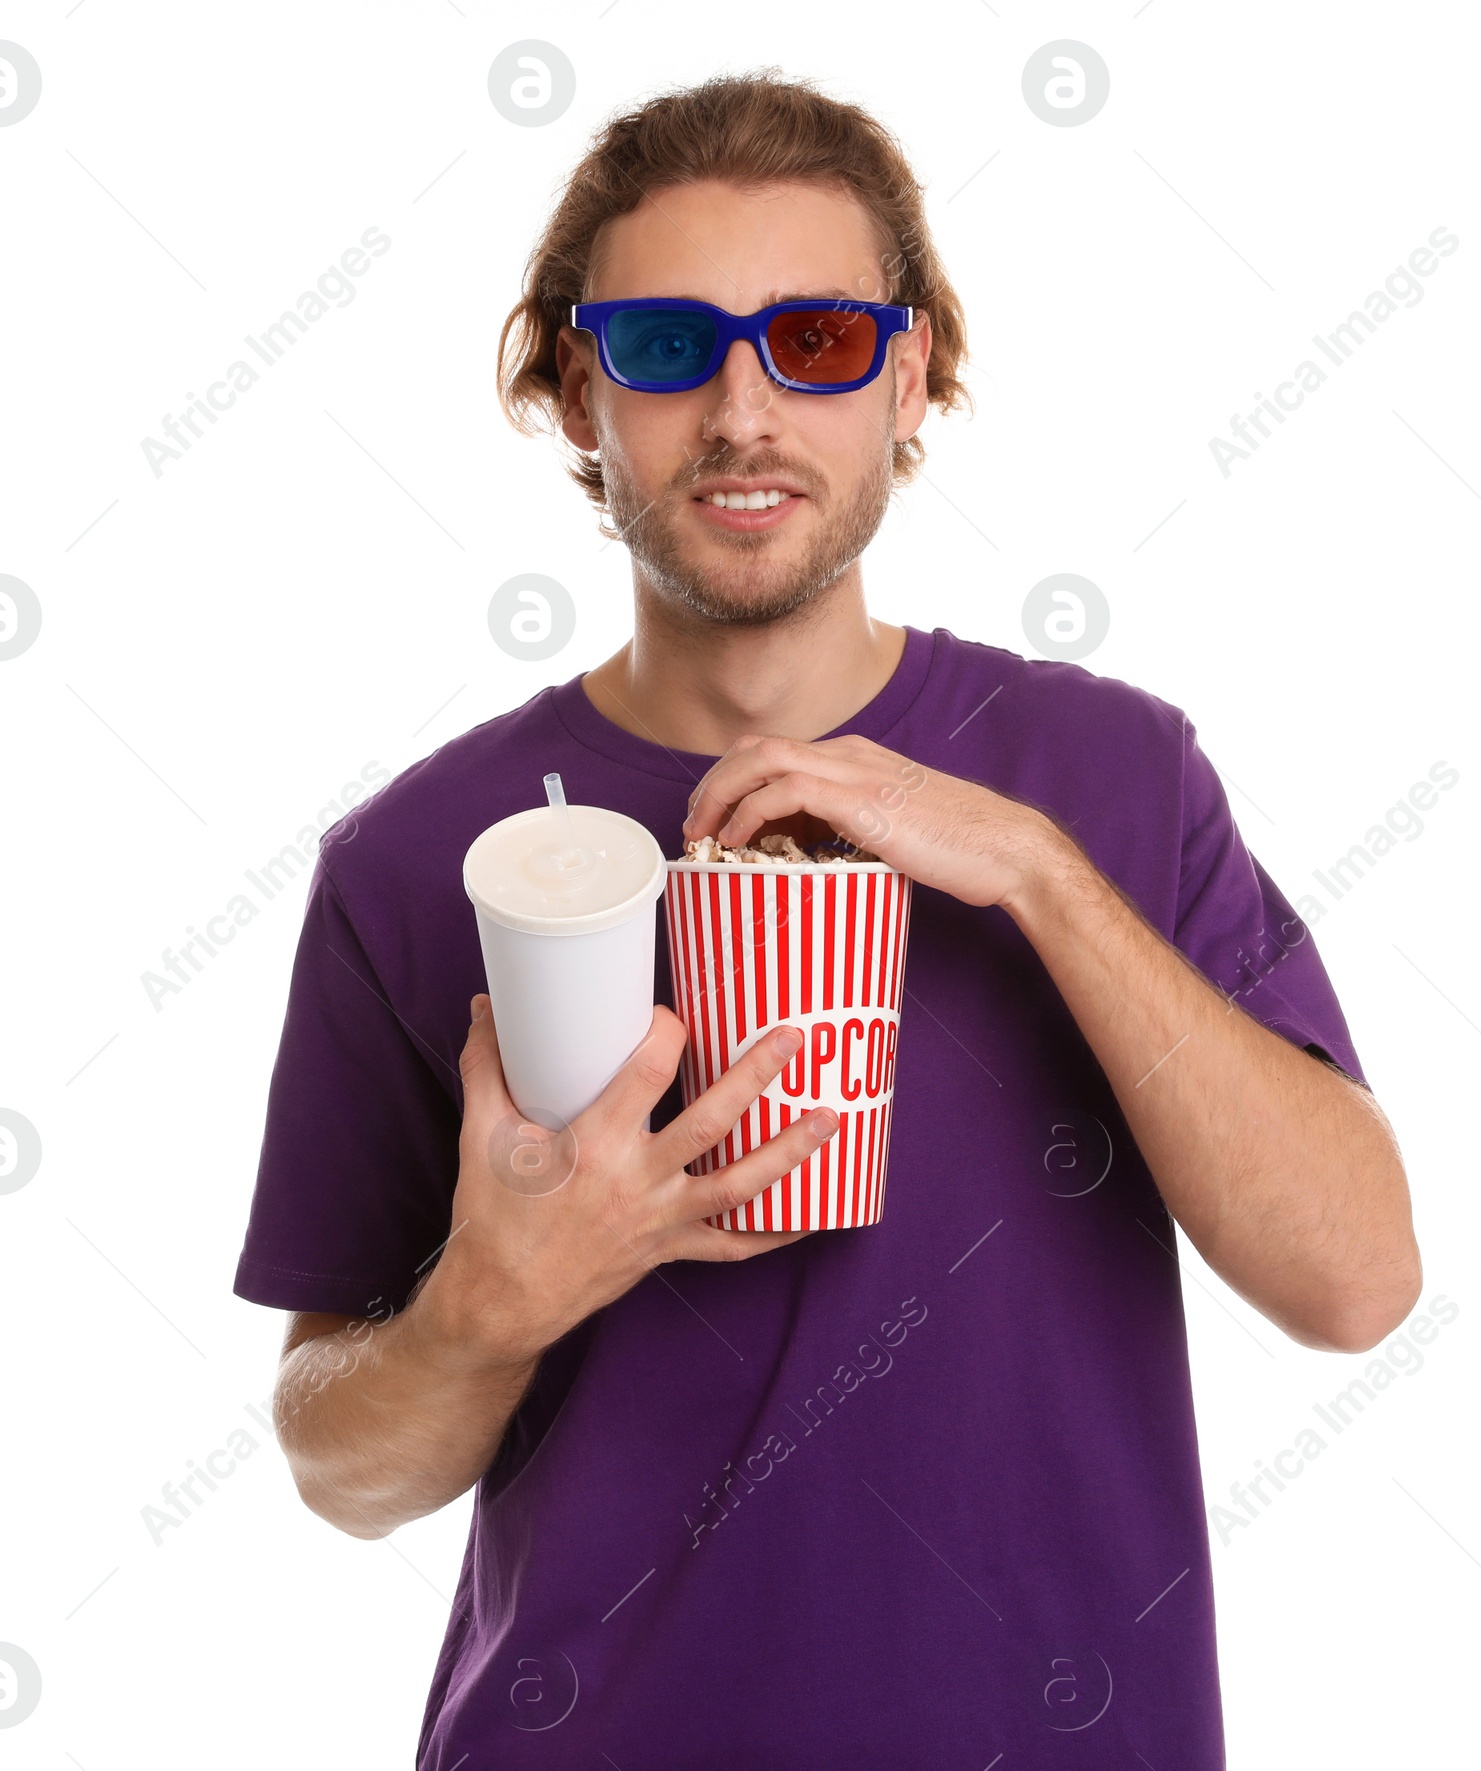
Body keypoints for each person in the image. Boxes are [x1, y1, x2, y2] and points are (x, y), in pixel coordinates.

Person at [233, 70, 1421, 1769]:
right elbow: (338, 1469)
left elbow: (1360, 1281)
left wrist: (1032, 869)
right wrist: (494, 1299)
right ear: (581, 388)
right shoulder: (427, 860)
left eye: (816, 342)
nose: (742, 412)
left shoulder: (1110, 775)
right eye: (662, 347)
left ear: (908, 370)